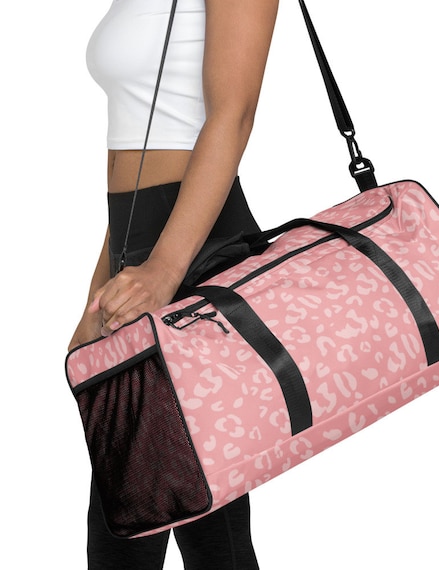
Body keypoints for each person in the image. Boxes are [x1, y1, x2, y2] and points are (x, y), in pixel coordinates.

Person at [68, 0, 280, 568]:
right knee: (197, 522)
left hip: (194, 252)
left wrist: (164, 271)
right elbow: (136, 167)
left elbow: (234, 114)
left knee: (134, 520)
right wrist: (98, 295)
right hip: (142, 251)